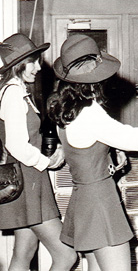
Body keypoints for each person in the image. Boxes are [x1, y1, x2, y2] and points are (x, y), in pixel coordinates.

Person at [47, 34, 138, 271]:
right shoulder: (91, 113)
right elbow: (136, 139)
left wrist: (112, 148)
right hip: (100, 201)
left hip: (82, 196)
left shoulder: (64, 112)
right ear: (94, 80)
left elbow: (88, 141)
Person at [0, 33, 77, 270]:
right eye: (31, 62)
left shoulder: (16, 90)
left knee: (24, 253)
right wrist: (46, 162)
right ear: (17, 65)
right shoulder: (13, 94)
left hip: (25, 181)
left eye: (37, 61)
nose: (37, 68)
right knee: (66, 256)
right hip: (29, 181)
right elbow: (16, 145)